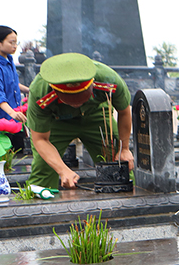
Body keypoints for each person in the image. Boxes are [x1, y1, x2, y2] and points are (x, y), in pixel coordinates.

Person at [26, 53, 133, 190]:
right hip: (57, 121)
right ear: (55, 90)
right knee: (43, 167)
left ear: (92, 85)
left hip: (96, 115)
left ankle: (123, 205)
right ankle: (41, 205)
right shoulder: (40, 91)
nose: (77, 105)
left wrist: (124, 148)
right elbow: (40, 139)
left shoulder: (108, 80)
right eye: (70, 101)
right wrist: (62, 170)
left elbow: (124, 112)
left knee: (117, 164)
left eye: (82, 99)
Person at [0, 26, 29, 154]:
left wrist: (29, 90)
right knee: (5, 161)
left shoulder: (8, 60)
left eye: (16, 42)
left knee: (19, 156)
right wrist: (12, 113)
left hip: (14, 119)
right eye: (11, 42)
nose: (15, 46)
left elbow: (12, 84)